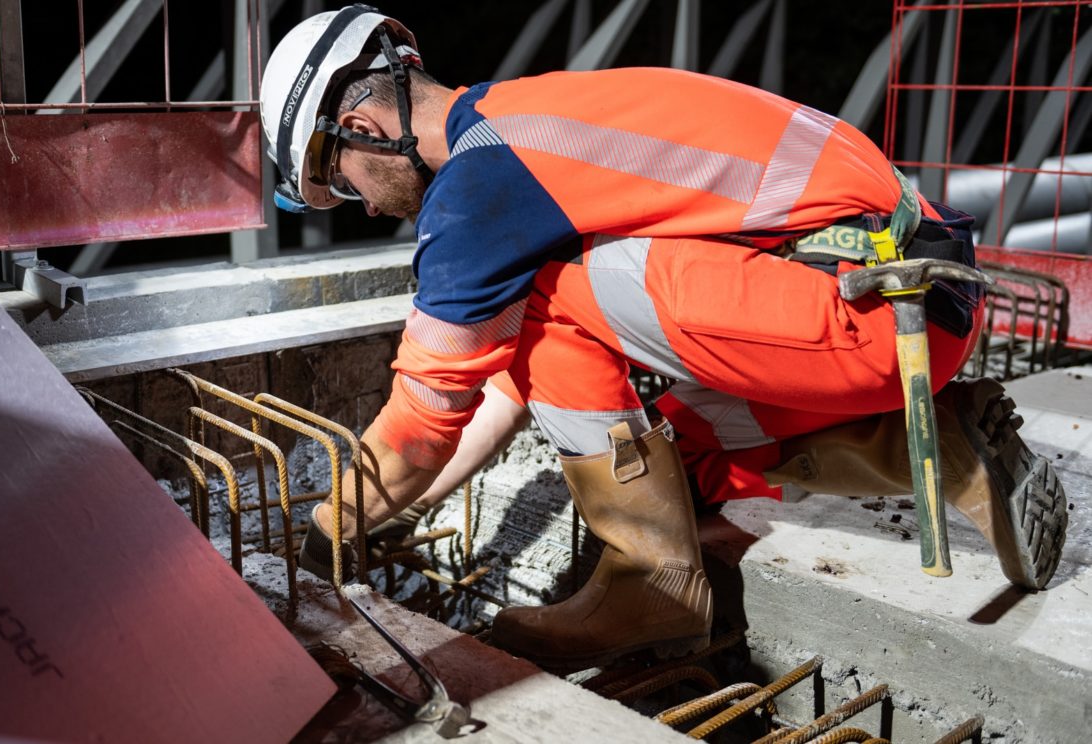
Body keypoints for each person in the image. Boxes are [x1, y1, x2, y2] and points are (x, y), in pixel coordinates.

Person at [259, 6, 1068, 668]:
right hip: (919, 311)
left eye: (341, 181)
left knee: (549, 295)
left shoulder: (482, 187)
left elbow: (426, 419)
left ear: (361, 125)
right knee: (681, 462)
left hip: (861, 315)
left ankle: (651, 580)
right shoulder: (522, 121)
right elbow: (505, 390)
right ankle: (948, 447)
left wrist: (329, 533)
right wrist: (398, 506)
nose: (365, 204)